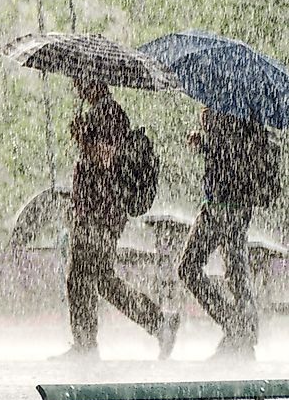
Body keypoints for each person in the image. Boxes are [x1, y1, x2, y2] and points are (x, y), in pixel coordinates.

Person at [57, 78, 178, 360]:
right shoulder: (101, 114)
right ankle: (158, 323)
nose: (77, 87)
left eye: (82, 80)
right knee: (98, 278)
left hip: (101, 212)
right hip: (96, 210)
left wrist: (82, 138)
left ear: (96, 83)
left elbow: (104, 160)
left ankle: (89, 344)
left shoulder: (110, 113)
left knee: (82, 277)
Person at [179, 107, 267, 360]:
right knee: (236, 271)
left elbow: (227, 160)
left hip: (223, 206)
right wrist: (206, 143)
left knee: (189, 268)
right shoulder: (246, 115)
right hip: (235, 206)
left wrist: (207, 140)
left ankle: (237, 329)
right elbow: (231, 158)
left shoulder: (229, 114)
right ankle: (244, 334)